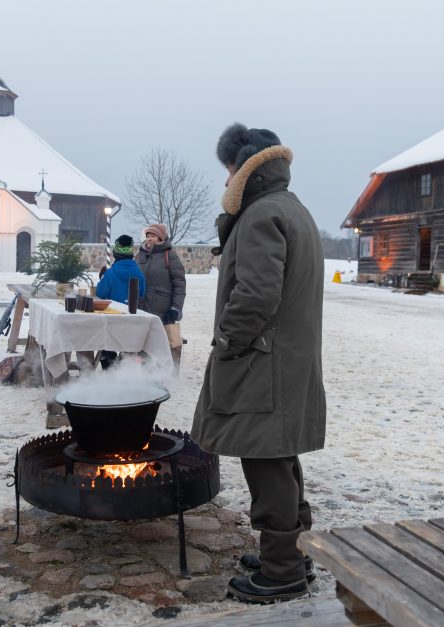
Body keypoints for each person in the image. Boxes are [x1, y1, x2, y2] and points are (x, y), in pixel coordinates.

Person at [191, 123, 326, 604]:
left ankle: (283, 571)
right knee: (280, 459)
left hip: (263, 365)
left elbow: (256, 294)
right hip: (284, 363)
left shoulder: (260, 214)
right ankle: (291, 554)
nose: (225, 180)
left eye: (227, 170)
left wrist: (227, 339)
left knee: (267, 466)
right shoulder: (291, 208)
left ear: (243, 167)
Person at [135, 223, 187, 368]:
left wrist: (176, 308)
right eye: (147, 236)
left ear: (161, 238)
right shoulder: (140, 255)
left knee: (160, 344)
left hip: (162, 309)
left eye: (153, 236)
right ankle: (143, 375)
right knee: (142, 343)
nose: (149, 239)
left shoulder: (169, 255)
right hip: (141, 307)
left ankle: (162, 376)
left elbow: (179, 284)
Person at [95, 234, 146, 369]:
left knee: (107, 347)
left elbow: (100, 293)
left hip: (112, 320)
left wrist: (102, 279)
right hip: (132, 321)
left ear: (116, 254)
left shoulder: (111, 273)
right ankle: (124, 372)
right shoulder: (139, 273)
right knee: (128, 349)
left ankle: (109, 371)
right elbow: (141, 293)